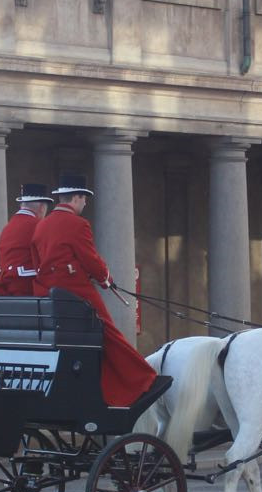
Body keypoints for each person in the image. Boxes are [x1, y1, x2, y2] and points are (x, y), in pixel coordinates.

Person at [31, 172, 169, 411]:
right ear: (76, 198)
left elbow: (37, 261)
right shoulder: (77, 224)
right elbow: (90, 259)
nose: (85, 204)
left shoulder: (42, 225)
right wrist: (106, 278)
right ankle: (142, 380)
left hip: (50, 291)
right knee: (109, 333)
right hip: (76, 290)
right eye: (84, 199)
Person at [0, 183, 54, 296]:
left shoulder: (8, 227)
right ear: (42, 207)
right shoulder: (39, 225)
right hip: (27, 285)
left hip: (4, 285)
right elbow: (49, 258)